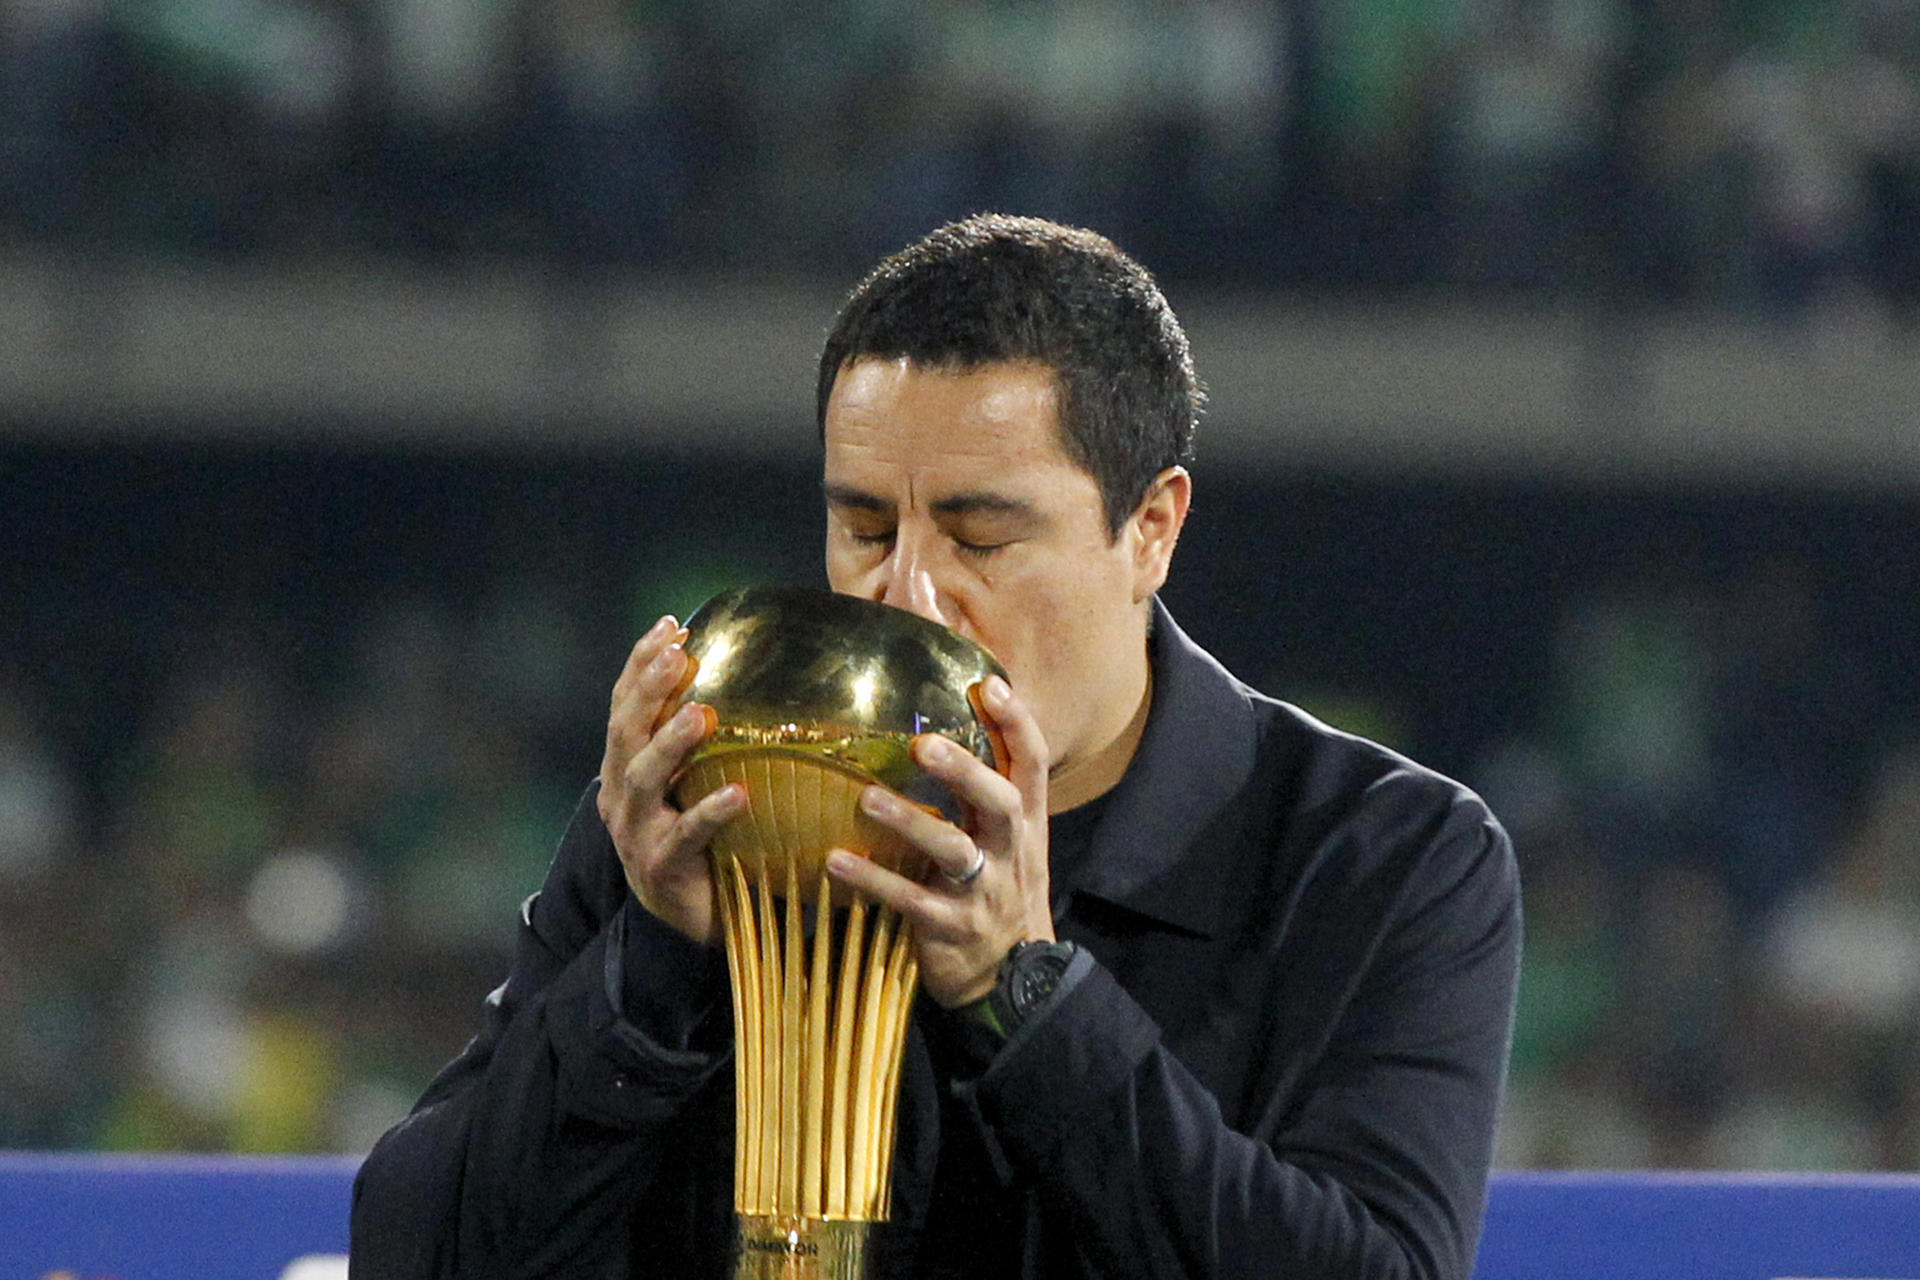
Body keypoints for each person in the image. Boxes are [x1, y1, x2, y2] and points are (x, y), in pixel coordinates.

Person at [350, 214, 1521, 1279]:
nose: (905, 591)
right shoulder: (710, 807)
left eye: (980, 534)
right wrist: (653, 968)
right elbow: (418, 1253)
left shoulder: (1384, 859)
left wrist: (1029, 997)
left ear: (1150, 527)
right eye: (863, 524)